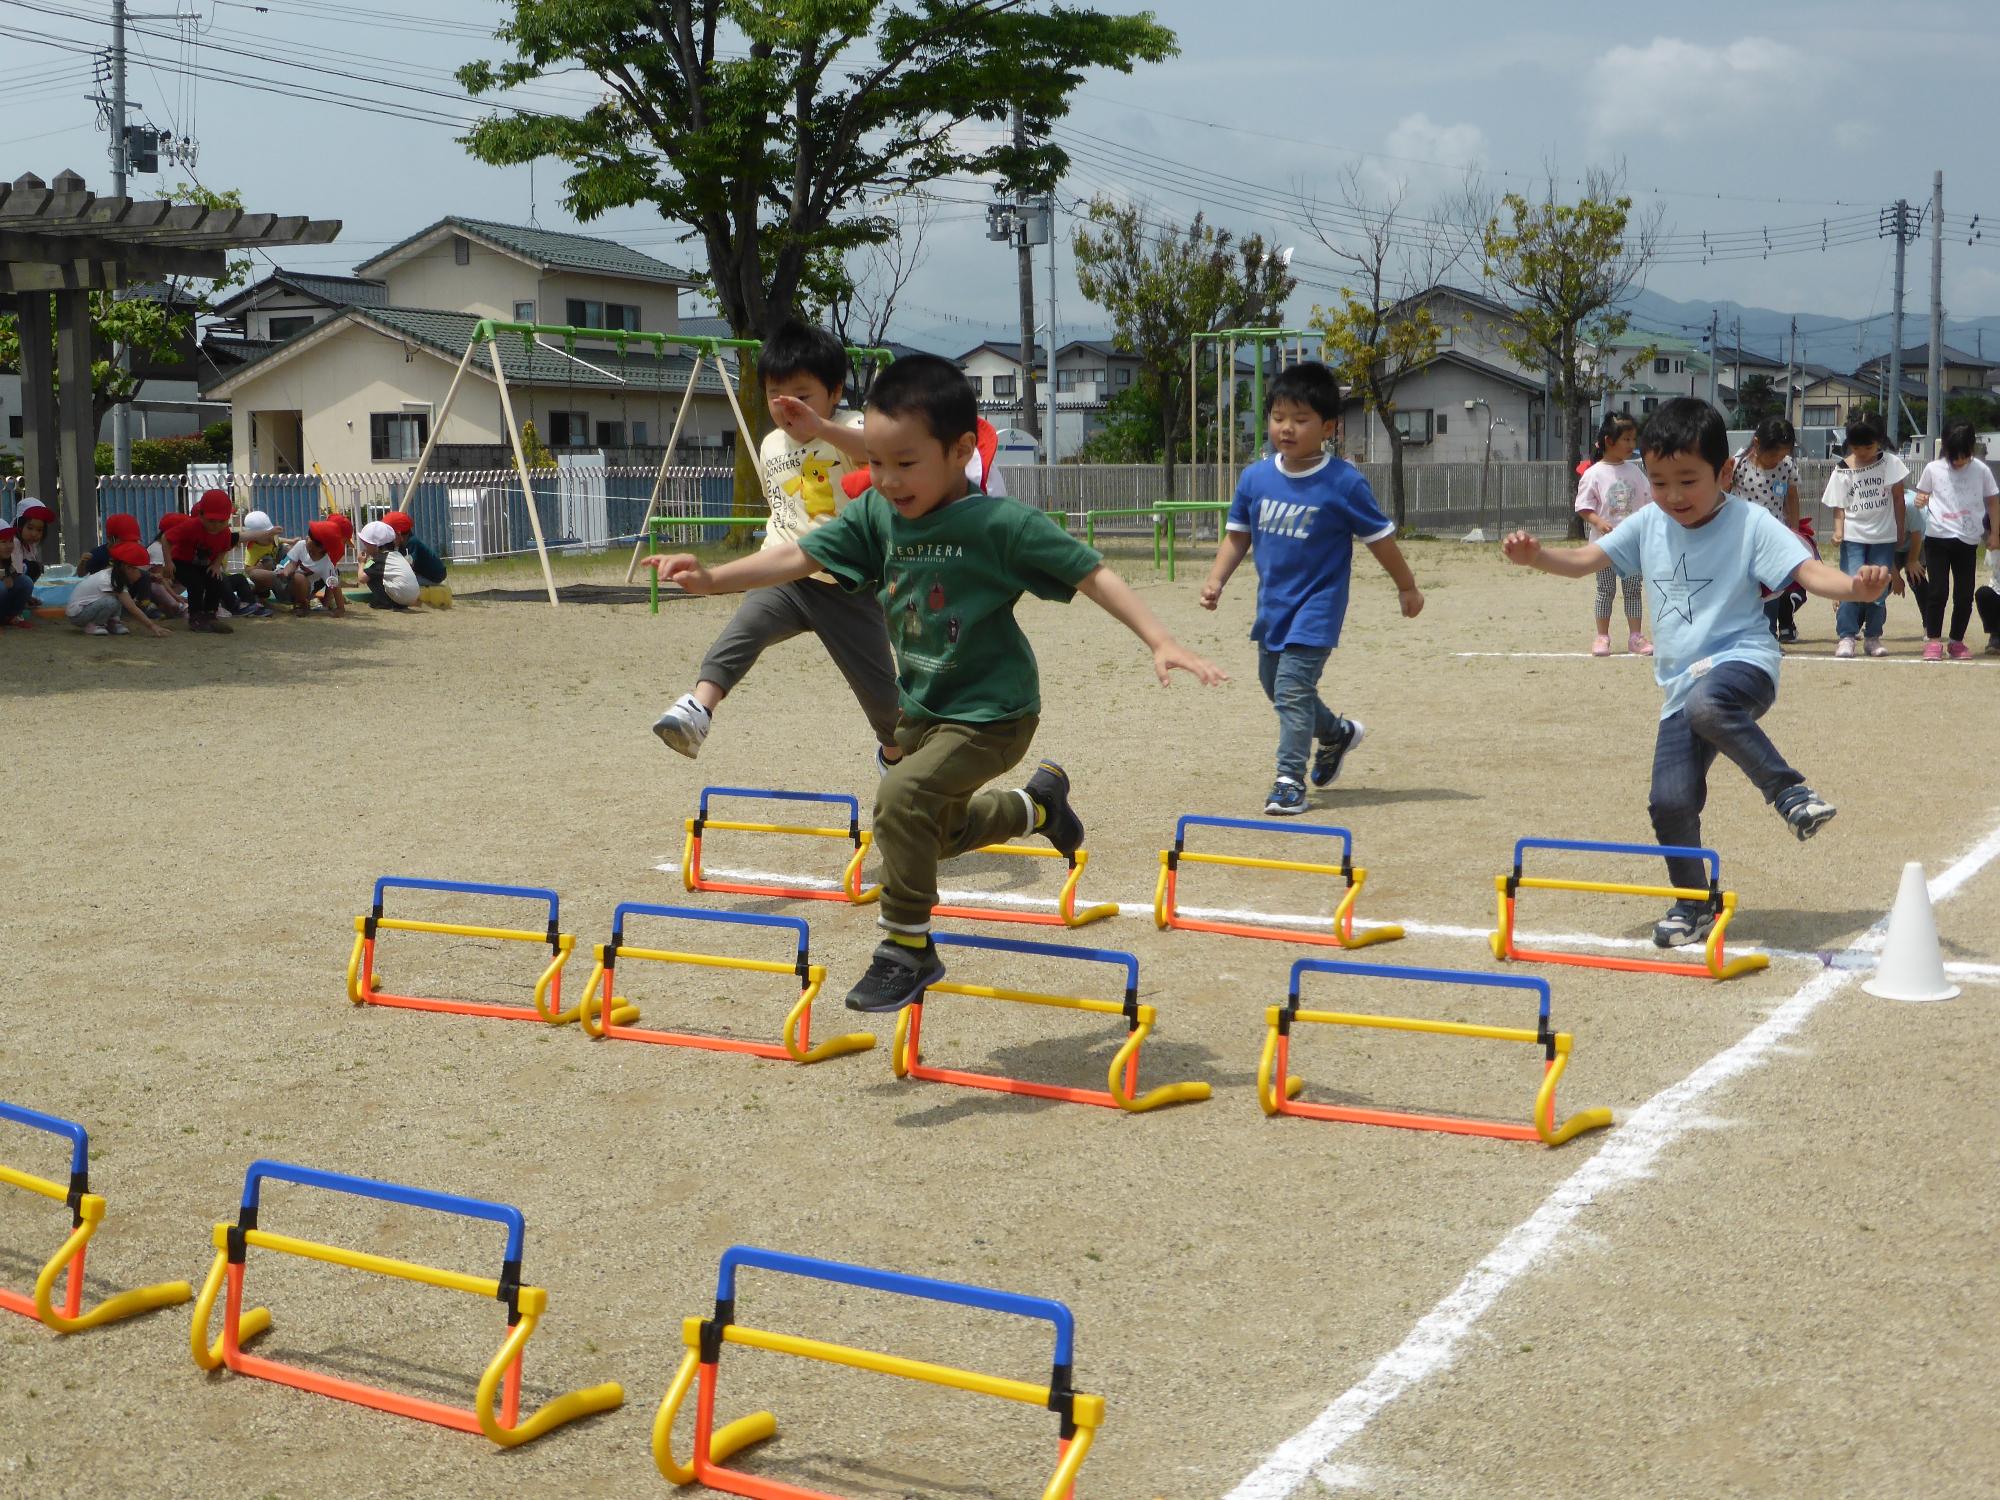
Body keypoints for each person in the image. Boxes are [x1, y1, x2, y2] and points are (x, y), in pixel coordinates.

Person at [643, 352, 1224, 1013]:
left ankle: (908, 949)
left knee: (899, 796)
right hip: (925, 712)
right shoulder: (877, 516)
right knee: (929, 834)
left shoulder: (997, 525)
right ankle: (1039, 809)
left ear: (959, 451)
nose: (887, 480)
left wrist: (1161, 640)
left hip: (994, 713)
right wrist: (714, 578)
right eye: (879, 463)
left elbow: (1091, 571)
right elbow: (799, 554)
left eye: (906, 463)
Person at [1502, 398, 1889, 948]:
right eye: (1659, 482)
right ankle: (1694, 902)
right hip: (1681, 684)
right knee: (1670, 801)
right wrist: (1537, 556)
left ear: (1724, 472)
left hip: (1743, 662)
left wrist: (1856, 588)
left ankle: (1790, 792)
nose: (1673, 496)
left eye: (1688, 480)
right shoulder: (1648, 523)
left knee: (1711, 705)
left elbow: (1807, 569)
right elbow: (1587, 562)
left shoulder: (1750, 523)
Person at [649, 320, 906, 770]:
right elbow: (782, 509)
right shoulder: (769, 445)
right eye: (775, 396)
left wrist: (821, 427)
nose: (788, 408)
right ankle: (698, 709)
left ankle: (894, 755)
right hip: (786, 576)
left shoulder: (852, 425)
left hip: (845, 584)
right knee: (743, 630)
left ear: (835, 391)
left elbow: (876, 448)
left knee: (887, 705)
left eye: (802, 396)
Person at [1197, 360, 1423, 815]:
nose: (1287, 428)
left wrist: (1407, 587)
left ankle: (1287, 779)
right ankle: (1336, 734)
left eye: (1301, 421)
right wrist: (1216, 579)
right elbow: (1237, 535)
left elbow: (1380, 540)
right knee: (1274, 685)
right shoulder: (1255, 478)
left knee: (1293, 691)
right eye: (1279, 418)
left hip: (1317, 607)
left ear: (1328, 427)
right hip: (1273, 606)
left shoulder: (1344, 483)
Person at [1910, 422, 1999, 661]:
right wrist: (1921, 499)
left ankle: (1956, 641)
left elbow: (1992, 502)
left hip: (1967, 540)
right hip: (1938, 537)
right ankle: (1933, 640)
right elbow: (1922, 494)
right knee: (1938, 591)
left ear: (1971, 448)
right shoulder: (1933, 468)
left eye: (1963, 456)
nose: (1958, 461)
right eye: (1953, 456)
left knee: (1964, 594)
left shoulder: (1981, 471)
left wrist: (1995, 534)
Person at [1821, 414, 1906, 658]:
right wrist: (1838, 531)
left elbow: (1898, 498)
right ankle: (1846, 636)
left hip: (1883, 536)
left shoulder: (1890, 463)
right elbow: (1839, 506)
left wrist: (1899, 528)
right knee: (1852, 584)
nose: (1862, 451)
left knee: (1879, 588)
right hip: (1854, 536)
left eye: (1868, 446)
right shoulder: (1843, 469)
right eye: (1856, 447)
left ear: (1879, 441)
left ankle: (1873, 636)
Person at [1573, 413, 1652, 657]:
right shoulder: (1594, 473)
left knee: (1632, 590)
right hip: (1604, 547)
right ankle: (1602, 637)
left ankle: (1635, 637)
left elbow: (1649, 501)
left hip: (1631, 546)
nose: (1632, 445)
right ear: (1609, 441)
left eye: (1633, 439)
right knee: (1605, 590)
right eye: (1626, 439)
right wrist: (1599, 521)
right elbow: (1583, 507)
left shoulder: (1636, 472)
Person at [1732, 417, 1809, 642]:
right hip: (1743, 536)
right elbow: (1724, 494)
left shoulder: (1786, 466)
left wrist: (1794, 531)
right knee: (1746, 588)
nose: (1777, 459)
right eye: (1773, 454)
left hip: (1774, 537)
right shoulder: (1739, 463)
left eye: (1782, 454)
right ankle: (1744, 633)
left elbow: (1792, 498)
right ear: (1756, 443)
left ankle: (1767, 636)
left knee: (1772, 588)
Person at [168, 489, 239, 635]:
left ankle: (210, 614)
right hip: (182, 562)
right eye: (211, 521)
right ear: (200, 515)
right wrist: (168, 562)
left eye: (222, 521)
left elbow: (225, 548)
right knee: (196, 584)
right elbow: (166, 539)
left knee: (216, 579)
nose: (216, 526)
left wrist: (216, 565)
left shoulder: (225, 532)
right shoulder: (190, 526)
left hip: (204, 564)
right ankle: (195, 617)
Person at [65, 541, 169, 638]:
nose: (141, 575)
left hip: (87, 609)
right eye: (139, 571)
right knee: (112, 601)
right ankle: (95, 625)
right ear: (128, 568)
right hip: (78, 615)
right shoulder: (109, 579)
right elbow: (131, 607)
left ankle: (113, 622)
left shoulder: (116, 577)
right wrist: (152, 626)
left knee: (118, 599)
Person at [276, 519, 349, 617]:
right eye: (308, 536)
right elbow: (292, 563)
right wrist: (285, 572)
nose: (306, 538)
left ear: (321, 548)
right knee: (262, 576)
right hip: (283, 582)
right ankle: (257, 599)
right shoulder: (301, 545)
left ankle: (303, 604)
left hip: (301, 590)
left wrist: (341, 608)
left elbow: (334, 586)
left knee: (299, 578)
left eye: (311, 550)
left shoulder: (326, 564)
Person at [381, 510, 450, 606]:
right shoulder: (404, 543)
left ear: (398, 534)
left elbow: (408, 566)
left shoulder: (412, 542)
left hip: (435, 575)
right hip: (425, 573)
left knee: (402, 581)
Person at [358, 519, 420, 609]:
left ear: (375, 545)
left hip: (401, 599)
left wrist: (361, 562)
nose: (365, 548)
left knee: (370, 576)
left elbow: (362, 578)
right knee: (372, 572)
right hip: (413, 596)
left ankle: (386, 602)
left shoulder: (379, 559)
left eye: (367, 545)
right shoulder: (396, 554)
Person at [11, 497, 53, 581]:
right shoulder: (14, 543)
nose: (34, 534)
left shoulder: (30, 546)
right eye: (30, 528)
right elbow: (17, 574)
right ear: (19, 525)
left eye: (39, 530)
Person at [0, 526, 33, 628]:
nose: (9, 546)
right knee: (1, 588)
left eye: (11, 541)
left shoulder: (6, 560)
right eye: (3, 542)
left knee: (25, 582)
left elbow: (14, 576)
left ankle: (12, 616)